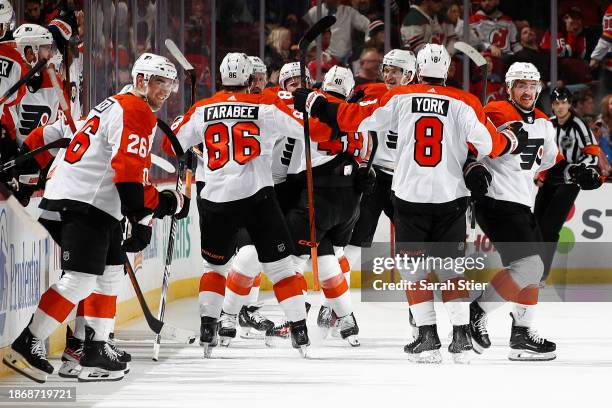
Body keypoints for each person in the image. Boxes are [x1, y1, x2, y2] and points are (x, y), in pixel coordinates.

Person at [294, 43, 529, 363]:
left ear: (417, 71)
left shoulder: (400, 97)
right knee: (451, 270)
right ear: (447, 72)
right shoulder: (466, 101)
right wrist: (496, 145)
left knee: (413, 270)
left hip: (409, 197)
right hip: (451, 198)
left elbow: (353, 121)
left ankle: (427, 336)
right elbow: (488, 144)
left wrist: (315, 102)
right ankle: (460, 336)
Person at [2, 52, 184, 383]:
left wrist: (145, 215)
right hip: (84, 201)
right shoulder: (135, 111)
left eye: (169, 86)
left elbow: (129, 181)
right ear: (141, 80)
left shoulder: (115, 103)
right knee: (81, 279)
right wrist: (163, 203)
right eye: (159, 83)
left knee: (112, 270)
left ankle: (96, 346)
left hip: (87, 198)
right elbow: (129, 184)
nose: (165, 92)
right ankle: (27, 343)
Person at [171, 53, 315, 358]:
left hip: (214, 200)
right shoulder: (264, 105)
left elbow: (173, 142)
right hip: (257, 198)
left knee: (215, 267)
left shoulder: (201, 108)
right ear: (251, 79)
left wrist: (194, 143)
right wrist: (304, 103)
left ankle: (209, 326)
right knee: (280, 268)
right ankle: (299, 330)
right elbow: (305, 128)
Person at [469, 64, 600, 362]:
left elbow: (551, 167)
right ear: (509, 88)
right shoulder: (495, 112)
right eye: (520, 85)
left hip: (521, 203)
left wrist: (576, 172)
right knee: (529, 266)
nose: (527, 91)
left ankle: (522, 334)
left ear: (539, 88)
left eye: (531, 85)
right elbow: (470, 150)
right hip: (495, 202)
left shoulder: (543, 122)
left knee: (534, 267)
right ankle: (478, 310)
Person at [344, 49, 416, 272]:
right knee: (357, 239)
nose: (388, 76)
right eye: (386, 70)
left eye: (395, 71)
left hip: (407, 180)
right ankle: (334, 299)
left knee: (415, 243)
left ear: (410, 74)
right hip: (375, 175)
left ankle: (422, 295)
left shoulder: (420, 98)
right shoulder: (370, 92)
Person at [534, 87, 601, 283]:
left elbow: (593, 153)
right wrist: (540, 173)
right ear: (552, 106)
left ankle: (542, 274)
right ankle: (533, 270)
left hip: (571, 180)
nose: (560, 107)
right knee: (536, 226)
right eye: (556, 103)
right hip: (550, 178)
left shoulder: (578, 125)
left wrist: (577, 169)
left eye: (564, 102)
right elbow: (543, 152)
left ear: (569, 104)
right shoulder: (548, 124)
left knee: (550, 228)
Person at [303, 0, 370, 64]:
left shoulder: (348, 12)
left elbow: (368, 25)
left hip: (346, 58)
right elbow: (302, 30)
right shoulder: (314, 12)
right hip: (322, 58)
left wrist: (368, 41)